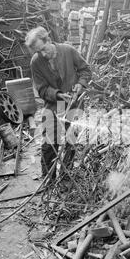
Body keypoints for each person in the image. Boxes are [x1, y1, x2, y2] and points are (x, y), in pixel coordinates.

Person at [25, 26, 91, 181]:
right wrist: (58, 95)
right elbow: (41, 89)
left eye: (43, 49)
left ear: (48, 40)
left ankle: (65, 177)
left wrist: (80, 84)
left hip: (74, 104)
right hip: (54, 104)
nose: (42, 54)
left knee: (71, 141)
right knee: (49, 143)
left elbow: (85, 70)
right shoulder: (36, 62)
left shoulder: (68, 50)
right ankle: (49, 178)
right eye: (38, 52)